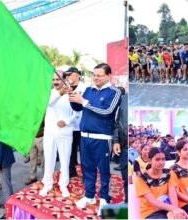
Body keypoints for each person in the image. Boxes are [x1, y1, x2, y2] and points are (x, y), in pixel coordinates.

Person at [69, 63, 121, 216]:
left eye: (99, 75)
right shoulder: (88, 90)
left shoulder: (114, 92)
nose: (95, 78)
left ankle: (104, 198)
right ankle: (89, 196)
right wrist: (72, 97)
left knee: (104, 170)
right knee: (88, 168)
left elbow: (107, 112)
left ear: (108, 76)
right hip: (85, 137)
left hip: (102, 138)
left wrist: (84, 102)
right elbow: (78, 108)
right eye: (94, 75)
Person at [39, 71, 78, 198]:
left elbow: (76, 114)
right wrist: (60, 93)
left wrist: (66, 121)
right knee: (49, 159)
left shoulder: (72, 94)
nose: (55, 82)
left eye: (58, 79)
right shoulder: (48, 93)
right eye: (53, 79)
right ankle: (47, 184)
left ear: (64, 79)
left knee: (65, 161)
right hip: (50, 133)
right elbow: (48, 103)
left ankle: (63, 185)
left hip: (65, 133)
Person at [135, 147, 187, 219]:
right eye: (157, 159)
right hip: (151, 211)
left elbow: (172, 193)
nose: (161, 162)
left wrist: (174, 209)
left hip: (168, 207)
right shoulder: (141, 179)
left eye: (163, 159)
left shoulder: (169, 173)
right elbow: (152, 201)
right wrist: (173, 209)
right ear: (150, 161)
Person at [64, 67, 87, 178]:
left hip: (82, 125)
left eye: (70, 74)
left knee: (84, 152)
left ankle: (85, 173)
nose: (68, 77)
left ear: (77, 75)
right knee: (70, 150)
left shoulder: (86, 88)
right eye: (67, 75)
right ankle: (71, 171)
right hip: (69, 125)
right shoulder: (65, 89)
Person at [112, 87, 128, 203]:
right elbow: (117, 122)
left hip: (131, 147)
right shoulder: (123, 99)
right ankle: (127, 202)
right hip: (123, 145)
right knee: (125, 177)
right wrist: (116, 140)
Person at [25, 120, 44, 185]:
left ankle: (45, 177)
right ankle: (33, 176)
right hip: (32, 137)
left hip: (41, 136)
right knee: (32, 158)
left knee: (43, 159)